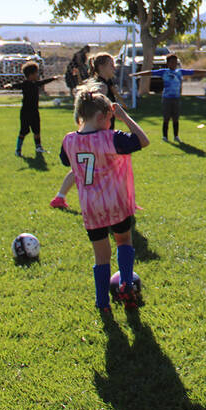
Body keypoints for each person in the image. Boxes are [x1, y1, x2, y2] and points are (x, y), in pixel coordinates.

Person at [61, 90, 150, 311]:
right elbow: (143, 140)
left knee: (101, 256)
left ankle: (102, 303)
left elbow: (66, 162)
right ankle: (126, 286)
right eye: (110, 119)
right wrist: (125, 118)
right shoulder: (112, 137)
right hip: (116, 203)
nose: (112, 123)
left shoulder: (69, 140)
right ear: (101, 117)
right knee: (124, 241)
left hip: (90, 207)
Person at [50, 52, 119, 209]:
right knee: (101, 167)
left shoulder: (105, 84)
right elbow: (91, 96)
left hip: (96, 133)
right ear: (101, 67)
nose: (114, 67)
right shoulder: (100, 86)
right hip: (98, 135)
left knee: (83, 167)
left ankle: (60, 197)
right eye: (111, 65)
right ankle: (108, 201)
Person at [133, 54, 206, 142]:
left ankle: (176, 136)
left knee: (176, 118)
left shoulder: (180, 72)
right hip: (167, 98)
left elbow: (193, 71)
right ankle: (165, 136)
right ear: (168, 63)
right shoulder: (164, 72)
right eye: (172, 62)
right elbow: (150, 72)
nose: (174, 64)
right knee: (166, 118)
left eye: (176, 62)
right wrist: (137, 74)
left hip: (176, 98)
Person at [11, 62, 59, 159]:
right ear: (31, 75)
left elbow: (43, 82)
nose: (38, 75)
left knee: (37, 130)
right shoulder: (25, 84)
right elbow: (17, 85)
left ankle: (38, 147)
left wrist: (53, 78)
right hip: (25, 112)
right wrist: (10, 85)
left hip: (35, 112)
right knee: (23, 131)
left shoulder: (35, 83)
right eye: (36, 73)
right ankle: (18, 150)